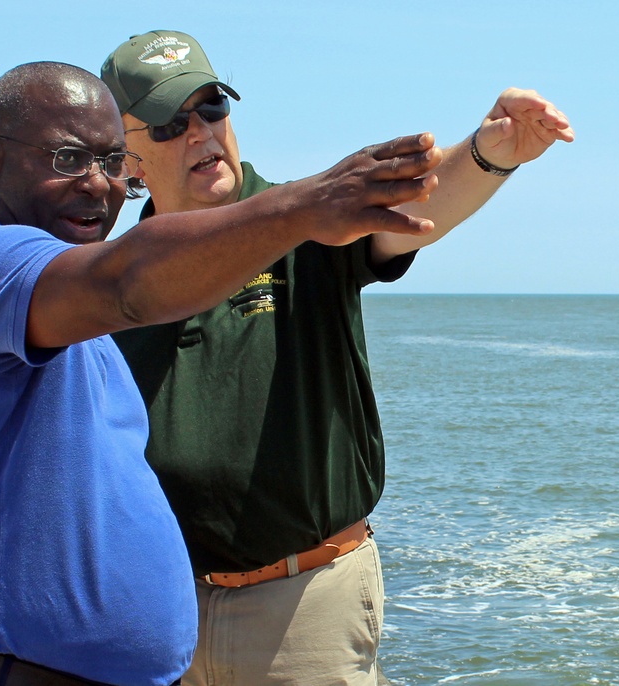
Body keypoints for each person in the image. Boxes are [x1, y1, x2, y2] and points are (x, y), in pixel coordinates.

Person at [0, 60, 443, 686]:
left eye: (110, 164)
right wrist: (302, 207)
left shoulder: (69, 313)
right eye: (69, 159)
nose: (98, 185)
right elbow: (129, 282)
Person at [100, 30, 574, 685]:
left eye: (211, 109)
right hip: (165, 616)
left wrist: (490, 153)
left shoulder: (304, 221)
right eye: (168, 124)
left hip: (303, 608)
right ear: (127, 162)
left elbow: (413, 204)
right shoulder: (118, 279)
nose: (200, 133)